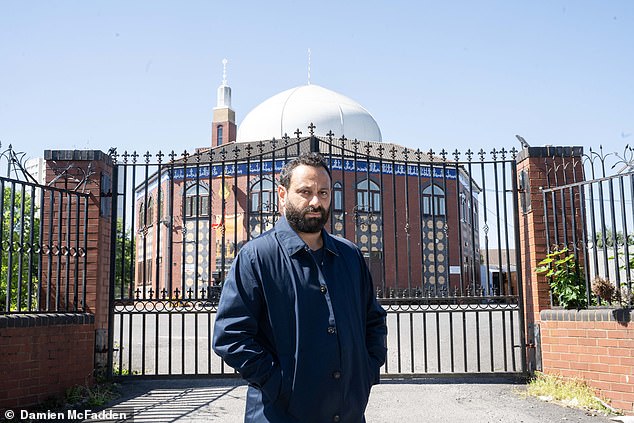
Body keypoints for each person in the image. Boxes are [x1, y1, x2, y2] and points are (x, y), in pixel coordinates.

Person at [212, 152, 387, 423]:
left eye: (324, 192)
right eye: (305, 191)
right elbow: (231, 336)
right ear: (282, 194)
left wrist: (367, 371)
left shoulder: (349, 256)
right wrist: (280, 386)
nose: (316, 201)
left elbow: (373, 320)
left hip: (349, 412)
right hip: (279, 414)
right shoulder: (257, 257)